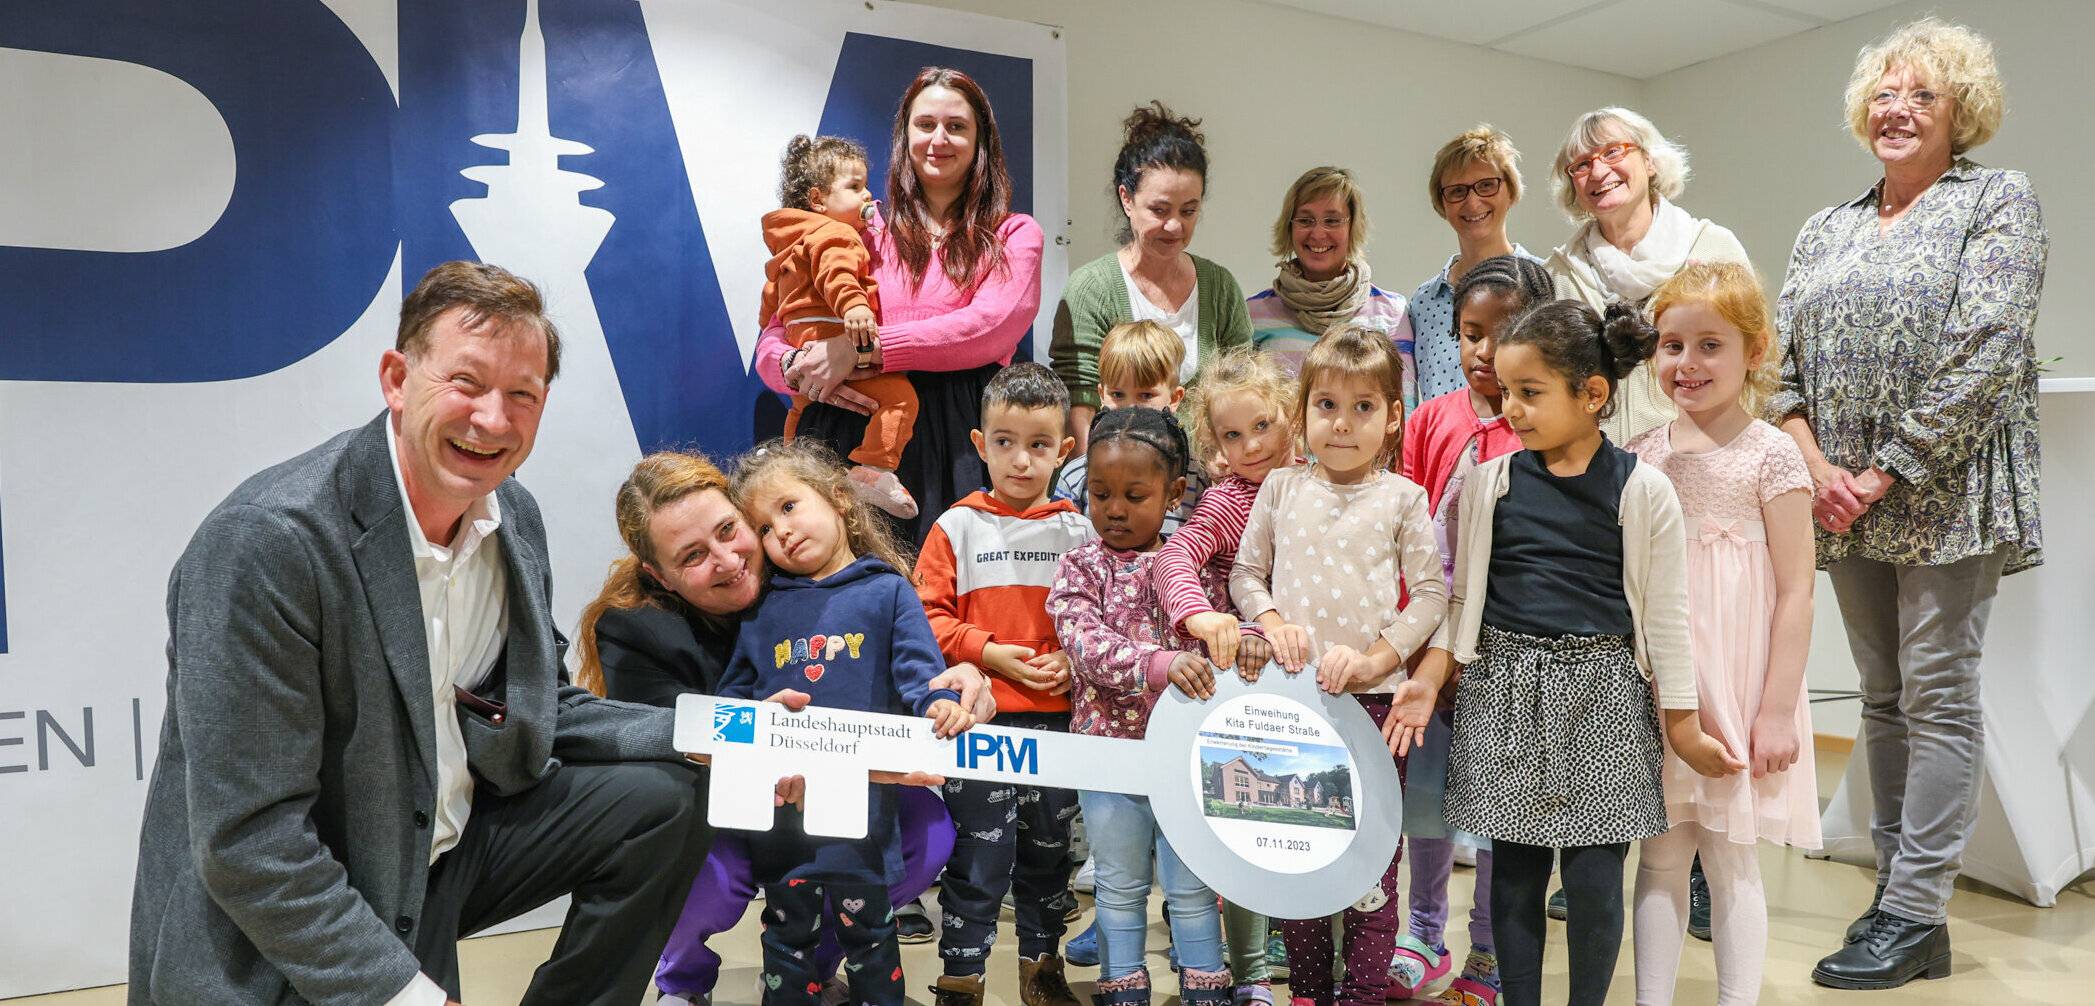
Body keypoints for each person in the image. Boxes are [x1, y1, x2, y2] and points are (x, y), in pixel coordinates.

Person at [128, 261, 717, 1005]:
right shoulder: (268, 544)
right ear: (397, 379)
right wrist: (413, 996)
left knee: (668, 798)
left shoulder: (513, 518)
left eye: (522, 395)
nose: (493, 421)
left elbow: (540, 707)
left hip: (435, 858)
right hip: (294, 920)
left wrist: (729, 732)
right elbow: (250, 846)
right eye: (466, 383)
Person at [1768, 18, 2048, 991]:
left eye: (1922, 94)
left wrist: (1883, 468)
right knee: (1882, 699)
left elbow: (1990, 347)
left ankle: (1916, 908)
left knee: (1937, 697)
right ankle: (1894, 895)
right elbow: (1779, 367)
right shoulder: (1824, 227)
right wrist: (1815, 468)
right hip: (1841, 499)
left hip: (1944, 491)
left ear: (1958, 112)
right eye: (1885, 93)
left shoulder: (1997, 202)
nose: (1897, 109)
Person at [1388, 300, 1743, 1006]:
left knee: (1591, 877)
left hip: (1603, 695)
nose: (1512, 408)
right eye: (1506, 392)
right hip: (1504, 691)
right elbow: (1462, 601)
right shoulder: (1490, 483)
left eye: (1529, 392)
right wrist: (1432, 678)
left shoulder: (1642, 489)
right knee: (1514, 872)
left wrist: (1680, 725)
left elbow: (1668, 619)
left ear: (1591, 394)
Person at [572, 451, 991, 1006]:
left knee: (916, 845)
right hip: (722, 804)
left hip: (846, 802)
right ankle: (683, 980)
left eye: (731, 530)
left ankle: (820, 968)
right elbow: (676, 737)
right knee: (701, 866)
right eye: (693, 555)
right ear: (660, 576)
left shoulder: (868, 589)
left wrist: (951, 685)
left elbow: (913, 674)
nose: (727, 559)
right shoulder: (636, 629)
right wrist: (760, 747)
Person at [1228, 325, 1449, 1006]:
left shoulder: (1403, 499)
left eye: (1362, 407)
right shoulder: (1281, 489)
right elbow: (1245, 573)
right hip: (1292, 706)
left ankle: (1360, 993)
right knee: (1297, 858)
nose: (1342, 423)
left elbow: (1433, 594)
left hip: (1376, 708)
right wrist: (1270, 622)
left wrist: (1380, 656)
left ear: (1391, 419)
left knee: (1368, 866)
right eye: (1326, 405)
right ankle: (1306, 991)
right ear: (1302, 415)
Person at [716, 438, 977, 1006]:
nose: (779, 532)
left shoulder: (887, 591)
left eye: (788, 507)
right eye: (761, 527)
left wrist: (938, 705)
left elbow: (919, 679)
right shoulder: (759, 610)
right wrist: (750, 724)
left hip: (863, 819)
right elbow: (732, 701)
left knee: (873, 939)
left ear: (838, 498)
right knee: (784, 939)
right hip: (782, 820)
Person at [1627, 261, 1820, 1006]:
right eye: (1671, 345)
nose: (1687, 363)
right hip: (1664, 685)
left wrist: (1772, 711)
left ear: (1755, 350)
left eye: (1710, 345)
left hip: (1739, 685)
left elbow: (1797, 590)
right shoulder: (1642, 453)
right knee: (1661, 856)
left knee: (1732, 861)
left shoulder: (1772, 454)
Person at [757, 67, 1045, 544]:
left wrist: (865, 351)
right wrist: (794, 365)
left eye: (957, 126)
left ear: (982, 141)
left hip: (962, 440)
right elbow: (781, 323)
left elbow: (989, 327)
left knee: (945, 598)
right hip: (847, 437)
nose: (939, 139)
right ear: (904, 135)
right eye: (925, 124)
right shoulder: (853, 233)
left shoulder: (1012, 234)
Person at [1391, 254, 1555, 1006]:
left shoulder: (1547, 431)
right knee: (1425, 804)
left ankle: (1485, 954)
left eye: (1503, 332)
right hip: (1431, 653)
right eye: (1469, 333)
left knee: (1492, 815)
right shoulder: (1430, 421)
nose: (1483, 351)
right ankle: (1421, 934)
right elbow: (1409, 537)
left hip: (1509, 655)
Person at [1048, 406, 1249, 1006]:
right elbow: (1084, 644)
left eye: (1135, 495)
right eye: (1100, 493)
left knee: (1192, 884)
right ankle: (1123, 982)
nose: (1113, 508)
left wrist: (1250, 649)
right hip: (1108, 758)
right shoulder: (1080, 566)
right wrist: (1156, 664)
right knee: (1116, 882)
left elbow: (1229, 634)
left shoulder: (1198, 570)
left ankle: (1205, 980)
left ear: (1176, 492)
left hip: (1189, 761)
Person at [914, 363, 1093, 1006]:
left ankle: (1042, 972)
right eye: (1005, 442)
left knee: (1049, 854)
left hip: (1058, 723)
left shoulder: (1081, 531)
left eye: (1039, 444)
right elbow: (927, 619)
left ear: (1064, 450)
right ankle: (961, 977)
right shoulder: (954, 527)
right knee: (979, 858)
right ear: (978, 441)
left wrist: (1076, 663)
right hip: (978, 724)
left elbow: (1098, 620)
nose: (1021, 460)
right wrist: (991, 653)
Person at [1149, 347, 1300, 1005]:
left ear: (1289, 415)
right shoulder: (1227, 501)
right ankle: (1252, 976)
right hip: (1253, 686)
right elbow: (1173, 557)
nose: (1250, 446)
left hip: (1324, 684)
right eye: (1232, 435)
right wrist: (1202, 618)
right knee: (1247, 834)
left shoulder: (1325, 480)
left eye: (1262, 426)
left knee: (1312, 829)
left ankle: (1329, 967)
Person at [1051, 102, 1252, 450]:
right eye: (1159, 210)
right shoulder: (1091, 290)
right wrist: (1094, 479)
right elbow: (1079, 408)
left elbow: (1243, 389)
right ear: (1127, 199)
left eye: (1189, 211)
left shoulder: (1219, 287)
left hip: (1206, 488)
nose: (1175, 225)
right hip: (1115, 479)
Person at [1543, 107, 1749, 443]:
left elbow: (1753, 363)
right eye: (1581, 164)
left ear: (1650, 162)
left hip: (1702, 458)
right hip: (1595, 472)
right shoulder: (1558, 275)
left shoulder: (1713, 249)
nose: (1597, 170)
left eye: (1613, 152)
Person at [762, 133, 918, 517]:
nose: (868, 196)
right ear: (817, 199)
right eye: (855, 187)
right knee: (900, 399)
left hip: (804, 350)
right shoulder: (838, 234)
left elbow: (770, 305)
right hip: (836, 337)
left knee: (799, 409)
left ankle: (788, 467)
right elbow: (839, 274)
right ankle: (875, 468)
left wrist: (779, 336)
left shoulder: (789, 244)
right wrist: (854, 307)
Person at [1247, 166, 1414, 407]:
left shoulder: (1392, 311)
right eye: (1305, 220)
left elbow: (1404, 410)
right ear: (1289, 227)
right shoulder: (1255, 314)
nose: (1318, 233)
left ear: (1352, 227)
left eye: (1332, 221)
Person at [1407, 126, 1547, 404]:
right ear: (1442, 204)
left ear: (1511, 190)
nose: (1472, 202)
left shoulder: (1549, 283)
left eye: (1486, 185)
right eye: (1457, 191)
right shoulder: (1423, 303)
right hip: (1444, 447)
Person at [1051, 320, 1207, 534]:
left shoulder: (1195, 478)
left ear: (1174, 398)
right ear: (1101, 395)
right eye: (1117, 394)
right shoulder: (1076, 475)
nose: (1131, 408)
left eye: (1146, 395)